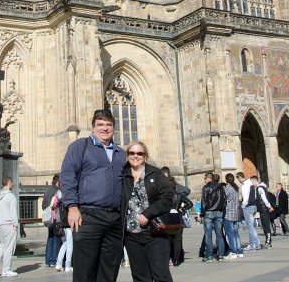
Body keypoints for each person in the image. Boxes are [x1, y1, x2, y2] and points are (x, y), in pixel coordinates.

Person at [59, 109, 127, 282]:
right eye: (100, 124)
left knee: (109, 270)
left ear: (114, 128)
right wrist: (72, 206)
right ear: (93, 127)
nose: (104, 128)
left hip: (115, 217)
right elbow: (67, 176)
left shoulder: (121, 153)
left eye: (108, 125)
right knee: (85, 269)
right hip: (88, 215)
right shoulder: (80, 146)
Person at [121, 141, 174, 282]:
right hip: (131, 235)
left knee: (161, 275)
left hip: (154, 232)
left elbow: (168, 197)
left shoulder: (155, 173)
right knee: (140, 277)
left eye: (139, 153)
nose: (135, 156)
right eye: (131, 153)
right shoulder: (122, 175)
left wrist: (148, 213)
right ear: (127, 156)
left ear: (145, 156)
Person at [0, 176, 19, 277]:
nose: (13, 184)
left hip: (0, 224)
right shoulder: (11, 196)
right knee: (9, 247)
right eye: (12, 182)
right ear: (9, 183)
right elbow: (13, 212)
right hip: (9, 224)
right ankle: (6, 269)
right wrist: (15, 225)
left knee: (2, 246)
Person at [165, 175, 191, 267]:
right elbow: (190, 204)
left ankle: (168, 259)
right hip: (177, 219)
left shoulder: (164, 196)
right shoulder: (179, 195)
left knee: (167, 241)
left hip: (167, 219)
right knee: (177, 241)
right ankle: (176, 260)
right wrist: (182, 208)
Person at [200, 172, 225, 262]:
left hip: (209, 212)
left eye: (205, 178)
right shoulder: (220, 187)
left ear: (208, 178)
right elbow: (224, 200)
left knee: (208, 234)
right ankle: (220, 255)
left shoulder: (206, 188)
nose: (204, 180)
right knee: (219, 234)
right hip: (219, 212)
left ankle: (209, 256)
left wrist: (201, 214)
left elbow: (204, 202)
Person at [222, 174, 243, 259]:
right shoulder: (236, 188)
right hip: (235, 213)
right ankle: (239, 251)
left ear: (226, 180)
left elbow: (223, 199)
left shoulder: (228, 188)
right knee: (236, 233)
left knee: (230, 234)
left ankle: (233, 251)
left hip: (228, 214)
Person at [53, 181, 73, 272]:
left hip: (61, 223)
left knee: (65, 243)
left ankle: (58, 263)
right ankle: (68, 265)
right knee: (70, 244)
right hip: (67, 223)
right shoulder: (66, 195)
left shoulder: (58, 195)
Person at [236, 173, 259, 251]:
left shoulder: (245, 185)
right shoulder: (250, 183)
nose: (238, 180)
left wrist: (242, 206)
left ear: (239, 178)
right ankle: (256, 243)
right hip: (254, 206)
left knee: (250, 227)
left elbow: (245, 198)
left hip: (248, 207)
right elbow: (255, 195)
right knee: (252, 227)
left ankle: (252, 244)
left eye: (238, 178)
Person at [42, 175, 59, 268]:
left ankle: (48, 260)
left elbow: (43, 204)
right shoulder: (57, 191)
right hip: (55, 217)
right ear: (58, 182)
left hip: (48, 218)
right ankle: (52, 260)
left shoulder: (48, 190)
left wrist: (47, 212)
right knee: (55, 238)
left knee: (50, 238)